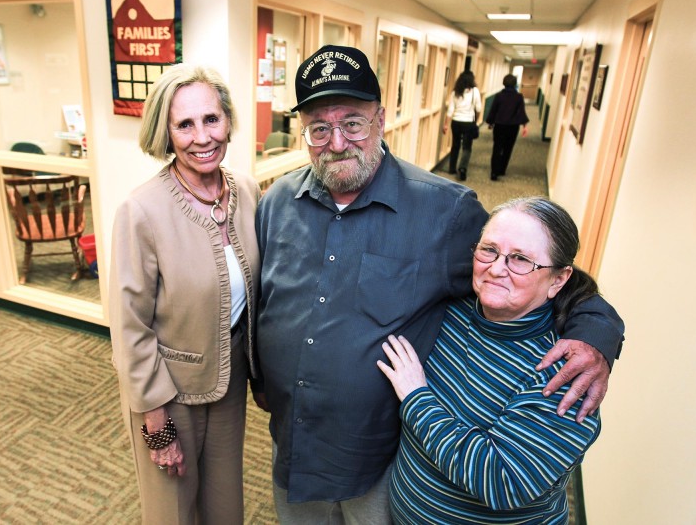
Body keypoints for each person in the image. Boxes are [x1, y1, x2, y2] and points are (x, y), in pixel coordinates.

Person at [254, 44, 623, 524]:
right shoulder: (278, 201)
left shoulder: (444, 211)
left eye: (352, 123)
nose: (337, 142)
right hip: (294, 448)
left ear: (381, 119)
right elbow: (266, 300)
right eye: (319, 128)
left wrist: (596, 333)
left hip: (378, 462)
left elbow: (525, 266)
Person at [378, 196, 606, 523]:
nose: (497, 269)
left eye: (520, 259)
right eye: (489, 250)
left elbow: (502, 481)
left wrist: (416, 398)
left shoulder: (567, 371)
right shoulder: (453, 309)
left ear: (558, 279)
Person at [109, 63, 260, 525]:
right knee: (172, 511)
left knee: (224, 506)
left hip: (229, 381)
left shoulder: (247, 191)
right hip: (166, 391)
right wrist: (156, 424)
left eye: (211, 119)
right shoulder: (142, 211)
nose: (202, 137)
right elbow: (129, 326)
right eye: (185, 124)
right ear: (166, 133)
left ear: (228, 120)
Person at [485, 74, 530, 181]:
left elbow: (493, 110)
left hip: (499, 126)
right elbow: (521, 112)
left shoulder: (499, 96)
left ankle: (494, 172)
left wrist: (490, 122)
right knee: (508, 149)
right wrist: (524, 126)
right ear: (515, 84)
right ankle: (502, 169)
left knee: (497, 148)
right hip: (512, 127)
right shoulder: (519, 97)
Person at [443, 70, 482, 181]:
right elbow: (478, 108)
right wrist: (476, 121)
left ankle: (452, 168)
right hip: (468, 122)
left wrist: (446, 124)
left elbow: (450, 110)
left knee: (455, 145)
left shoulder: (455, 92)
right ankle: (462, 168)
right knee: (467, 147)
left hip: (456, 122)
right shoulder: (475, 91)